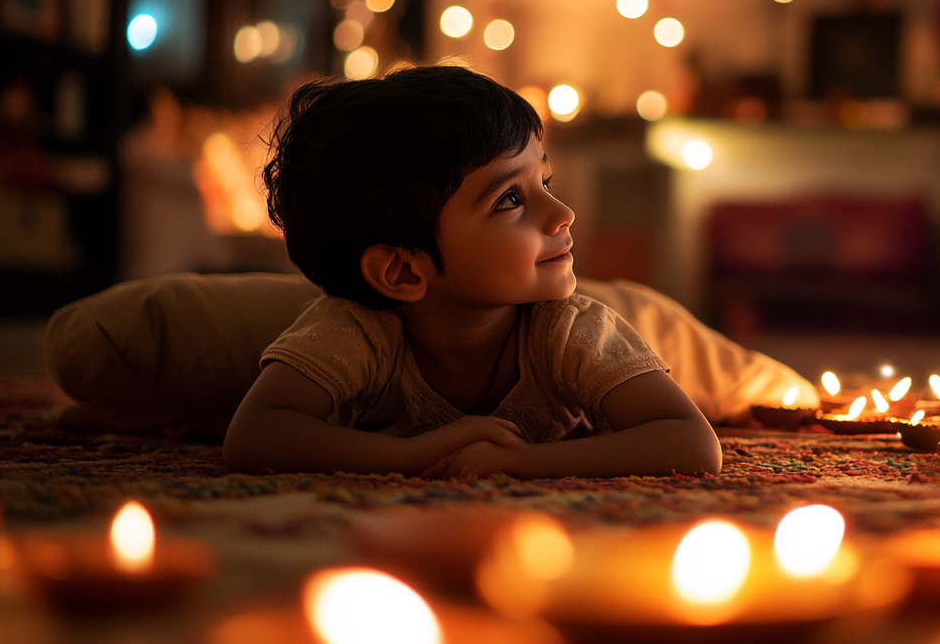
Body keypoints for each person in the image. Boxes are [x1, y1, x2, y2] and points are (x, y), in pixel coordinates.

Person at [222, 66, 722, 479]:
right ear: (400, 270)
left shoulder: (574, 329)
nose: (562, 212)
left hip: (641, 318)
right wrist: (410, 456)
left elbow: (691, 443)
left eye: (543, 180)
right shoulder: (358, 330)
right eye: (510, 199)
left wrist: (527, 463)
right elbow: (254, 437)